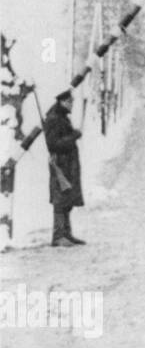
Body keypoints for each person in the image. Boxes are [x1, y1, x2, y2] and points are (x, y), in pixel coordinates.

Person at [44, 90, 85, 247]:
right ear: (61, 102)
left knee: (67, 198)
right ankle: (58, 235)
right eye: (69, 102)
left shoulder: (61, 117)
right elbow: (53, 144)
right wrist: (74, 136)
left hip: (67, 164)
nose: (71, 105)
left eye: (72, 102)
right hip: (60, 164)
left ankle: (66, 234)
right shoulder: (54, 119)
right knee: (60, 199)